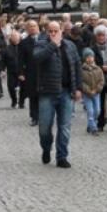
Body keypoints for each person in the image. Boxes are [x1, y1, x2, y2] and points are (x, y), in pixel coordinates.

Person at [34, 21, 82, 169]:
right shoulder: (41, 44)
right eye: (50, 31)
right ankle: (46, 148)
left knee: (65, 126)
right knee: (44, 128)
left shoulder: (70, 46)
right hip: (47, 92)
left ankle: (62, 156)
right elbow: (38, 58)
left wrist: (78, 88)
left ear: (61, 31)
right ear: (46, 32)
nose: (53, 34)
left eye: (56, 31)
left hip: (66, 91)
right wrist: (53, 45)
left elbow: (77, 66)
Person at [20, 20, 42, 125]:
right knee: (33, 95)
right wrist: (21, 73)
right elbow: (20, 59)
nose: (33, 28)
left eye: (34, 26)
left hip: (43, 72)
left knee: (43, 95)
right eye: (30, 27)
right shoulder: (24, 42)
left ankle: (44, 116)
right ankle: (34, 117)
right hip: (31, 72)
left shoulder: (44, 39)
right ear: (27, 29)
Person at [81, 47, 104, 136]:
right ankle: (93, 128)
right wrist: (88, 90)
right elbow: (82, 82)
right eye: (87, 57)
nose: (89, 58)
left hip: (96, 93)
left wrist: (97, 89)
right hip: (87, 94)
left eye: (91, 56)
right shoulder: (82, 70)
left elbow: (101, 81)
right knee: (90, 111)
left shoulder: (98, 69)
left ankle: (90, 124)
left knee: (97, 110)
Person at [2, 31, 24, 109]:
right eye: (13, 36)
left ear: (19, 37)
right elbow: (3, 60)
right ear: (11, 38)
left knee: (23, 87)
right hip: (11, 70)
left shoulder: (23, 47)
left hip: (22, 71)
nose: (15, 38)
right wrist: (3, 70)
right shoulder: (7, 48)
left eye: (16, 36)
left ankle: (21, 102)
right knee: (11, 87)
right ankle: (14, 100)